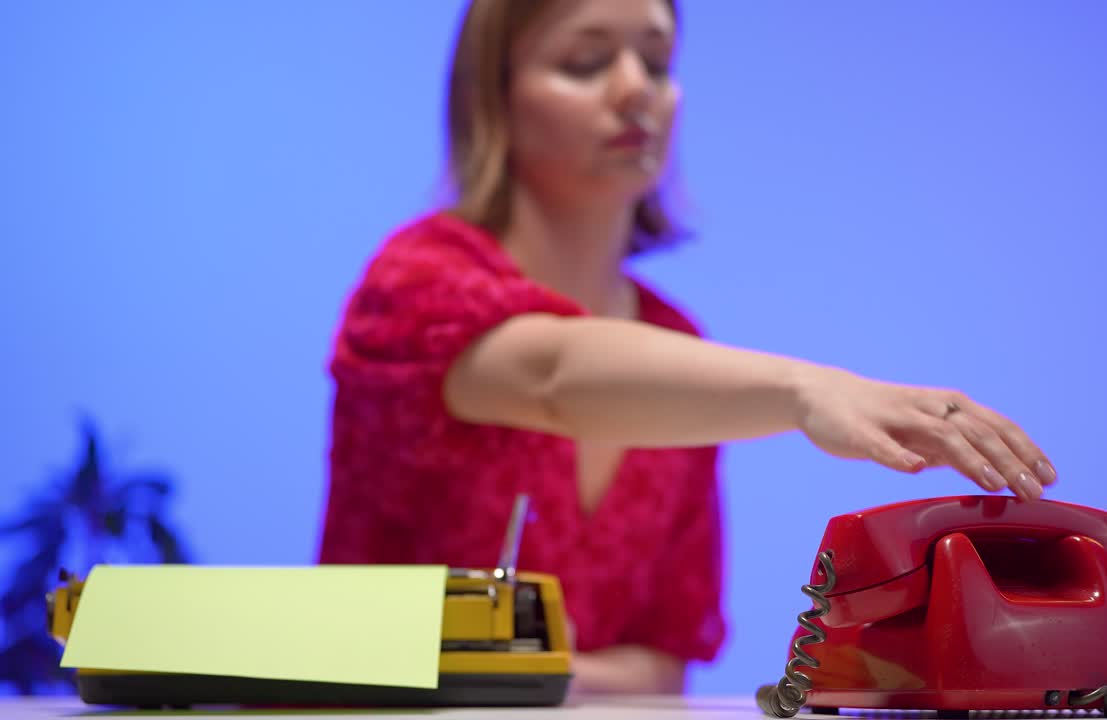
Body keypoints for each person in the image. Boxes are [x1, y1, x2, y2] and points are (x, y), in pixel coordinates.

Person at [318, 0, 1056, 696]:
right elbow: (553, 374)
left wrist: (549, 676)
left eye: (658, 62)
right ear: (493, 95)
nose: (635, 89)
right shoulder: (417, 281)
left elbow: (659, 666)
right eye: (584, 62)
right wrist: (808, 391)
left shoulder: (677, 346)